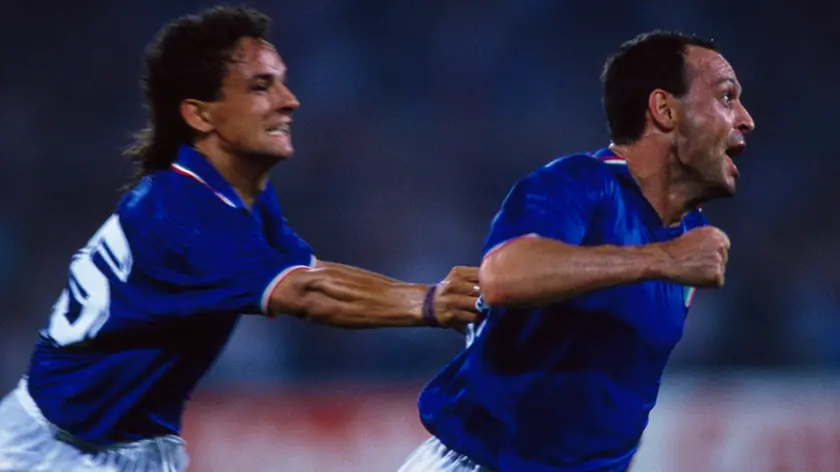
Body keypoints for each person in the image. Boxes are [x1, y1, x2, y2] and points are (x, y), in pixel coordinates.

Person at [0, 6, 480, 472]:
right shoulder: (182, 215)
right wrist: (429, 303)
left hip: (126, 444)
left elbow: (308, 272)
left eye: (281, 81)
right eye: (260, 87)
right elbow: (307, 294)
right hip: (56, 453)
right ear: (200, 114)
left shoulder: (231, 193)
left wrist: (431, 296)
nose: (289, 100)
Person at [398, 30, 755, 472]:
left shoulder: (689, 235)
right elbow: (503, 276)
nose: (746, 119)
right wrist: (662, 260)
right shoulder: (580, 183)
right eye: (726, 97)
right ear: (665, 110)